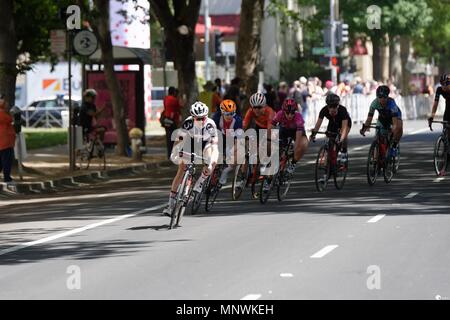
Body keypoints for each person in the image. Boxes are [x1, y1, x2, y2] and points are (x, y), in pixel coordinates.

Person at [162, 102, 219, 216]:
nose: (201, 121)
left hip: (205, 143)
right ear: (193, 117)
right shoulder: (188, 123)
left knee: (211, 160)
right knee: (181, 170)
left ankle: (200, 183)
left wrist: (210, 160)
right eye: (198, 118)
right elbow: (180, 138)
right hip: (191, 141)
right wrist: (175, 151)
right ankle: (170, 205)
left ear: (206, 116)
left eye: (203, 118)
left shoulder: (210, 125)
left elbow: (214, 144)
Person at [360, 85, 403, 158]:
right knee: (378, 136)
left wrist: (392, 131)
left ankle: (394, 146)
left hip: (394, 117)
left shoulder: (392, 105)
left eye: (384, 97)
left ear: (387, 97)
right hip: (383, 117)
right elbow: (369, 119)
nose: (382, 99)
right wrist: (364, 128)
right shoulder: (374, 103)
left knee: (398, 127)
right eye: (380, 97)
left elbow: (395, 125)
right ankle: (376, 161)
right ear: (377, 97)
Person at [271, 98, 309, 175]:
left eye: (292, 113)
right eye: (287, 113)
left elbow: (298, 138)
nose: (290, 115)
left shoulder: (298, 117)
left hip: (296, 132)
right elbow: (271, 127)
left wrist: (296, 147)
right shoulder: (279, 114)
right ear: (283, 111)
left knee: (304, 144)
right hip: (284, 130)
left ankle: (293, 163)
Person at [310, 93, 352, 163]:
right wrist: (313, 134)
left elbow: (344, 129)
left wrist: (341, 139)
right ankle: (330, 164)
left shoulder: (343, 110)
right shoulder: (324, 110)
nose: (333, 109)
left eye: (335, 107)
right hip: (333, 123)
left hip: (344, 123)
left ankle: (344, 152)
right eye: (330, 107)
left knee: (343, 137)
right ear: (327, 106)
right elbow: (318, 125)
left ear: (338, 105)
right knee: (329, 138)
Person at [212, 99, 243, 185]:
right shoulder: (216, 117)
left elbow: (238, 140)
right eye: (227, 114)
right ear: (222, 112)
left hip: (232, 138)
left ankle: (226, 171)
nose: (229, 116)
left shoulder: (237, 120)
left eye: (232, 113)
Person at [162, 87, 183, 159]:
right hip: (173, 121)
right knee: (173, 138)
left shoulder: (166, 98)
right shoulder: (175, 100)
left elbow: (165, 107)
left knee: (168, 137)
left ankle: (169, 154)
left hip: (166, 119)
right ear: (174, 92)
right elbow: (180, 107)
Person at [0, 94, 16, 183]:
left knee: (1, 161)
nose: (7, 105)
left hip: (3, 141)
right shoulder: (3, 114)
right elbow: (10, 119)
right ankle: (7, 178)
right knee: (6, 160)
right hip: (5, 141)